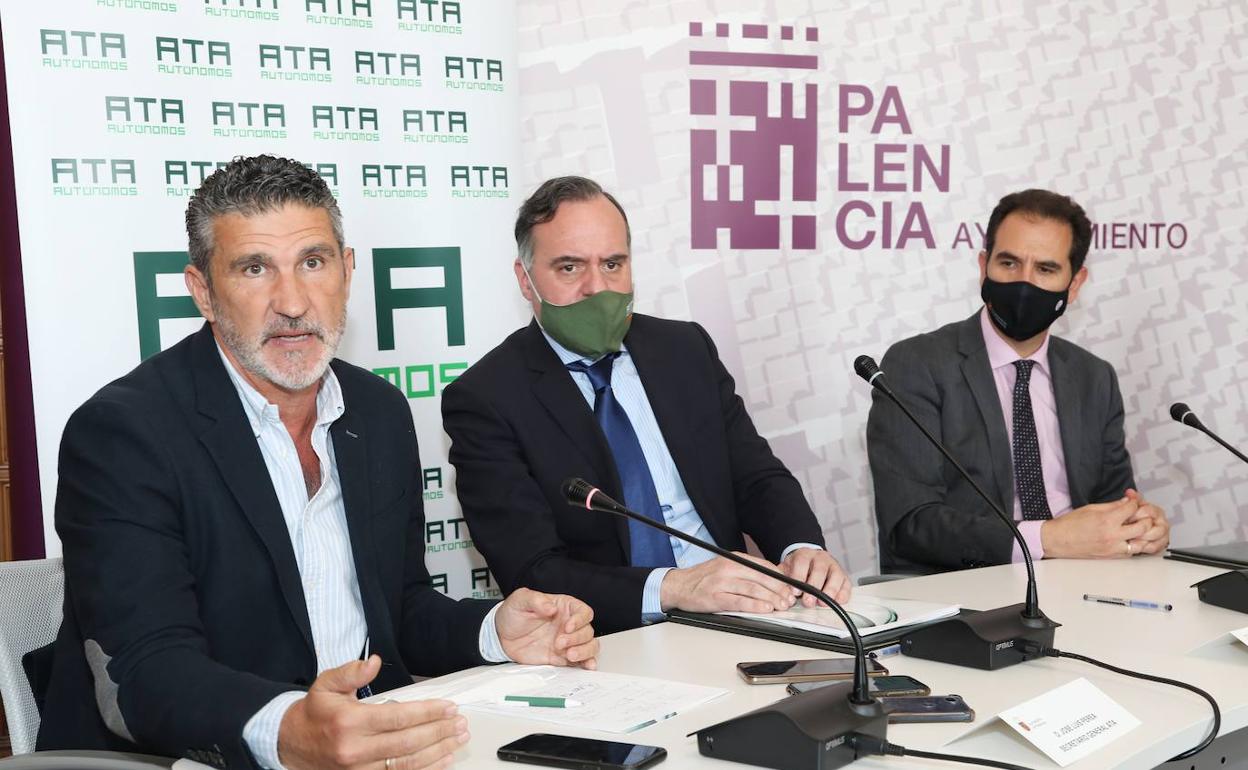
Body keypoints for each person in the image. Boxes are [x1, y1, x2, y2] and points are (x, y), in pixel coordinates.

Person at [37, 155, 599, 770]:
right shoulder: (124, 432)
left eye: (313, 261)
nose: (294, 302)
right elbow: (145, 673)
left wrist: (494, 632)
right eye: (255, 268)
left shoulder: (377, 411)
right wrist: (290, 727)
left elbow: (399, 611)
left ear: (348, 270)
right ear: (202, 291)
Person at [441, 176, 850, 636]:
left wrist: (801, 548)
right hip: (612, 635)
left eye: (613, 264)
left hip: (747, 612)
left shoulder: (684, 350)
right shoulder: (487, 397)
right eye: (570, 268)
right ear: (525, 278)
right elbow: (534, 570)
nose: (598, 288)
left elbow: (756, 477)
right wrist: (674, 588)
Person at [867, 189, 1170, 575]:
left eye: (1045, 269)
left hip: (1085, 582)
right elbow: (911, 524)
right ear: (983, 266)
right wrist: (1047, 539)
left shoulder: (1094, 377)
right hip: (968, 590)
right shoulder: (917, 365)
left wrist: (1139, 526)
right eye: (1008, 263)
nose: (1023, 283)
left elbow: (1114, 501)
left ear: (1074, 285)